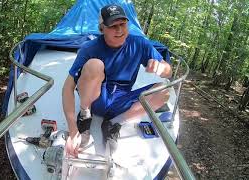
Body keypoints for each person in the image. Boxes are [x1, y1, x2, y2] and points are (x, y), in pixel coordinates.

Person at [62, 4, 172, 157]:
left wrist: (162, 67)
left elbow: (168, 71)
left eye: (122, 24)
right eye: (113, 26)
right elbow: (68, 87)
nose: (119, 30)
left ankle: (114, 124)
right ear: (102, 28)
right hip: (96, 99)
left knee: (164, 91)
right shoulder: (90, 48)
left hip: (122, 100)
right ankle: (85, 117)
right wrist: (73, 130)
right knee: (95, 65)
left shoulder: (139, 44)